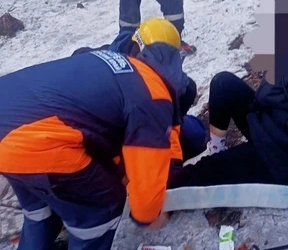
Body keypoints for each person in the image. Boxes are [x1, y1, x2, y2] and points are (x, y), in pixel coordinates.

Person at [0, 19, 187, 250]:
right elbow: (147, 168)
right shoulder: (152, 91)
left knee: (39, 203)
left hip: (10, 122)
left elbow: (91, 123)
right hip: (35, 140)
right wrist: (148, 214)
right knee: (102, 201)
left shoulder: (108, 60)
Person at [168, 0, 288, 192]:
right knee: (223, 83)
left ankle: (165, 188)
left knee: (207, 171)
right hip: (270, 124)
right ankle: (216, 149)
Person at [71, 22, 207, 160]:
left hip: (129, 126)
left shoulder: (107, 53)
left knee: (195, 134)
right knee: (192, 137)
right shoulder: (137, 79)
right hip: (107, 137)